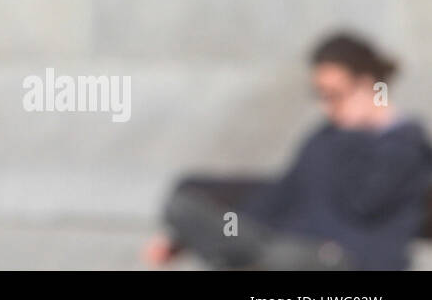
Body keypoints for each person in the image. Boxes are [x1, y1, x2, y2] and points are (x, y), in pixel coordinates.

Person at [143, 30, 432, 270]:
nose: (327, 106)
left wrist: (357, 132)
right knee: (184, 206)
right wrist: (181, 237)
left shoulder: (405, 146)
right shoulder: (324, 138)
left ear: (367, 86)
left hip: (349, 258)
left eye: (335, 95)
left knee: (276, 258)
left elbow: (365, 201)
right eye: (321, 96)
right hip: (286, 245)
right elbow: (280, 196)